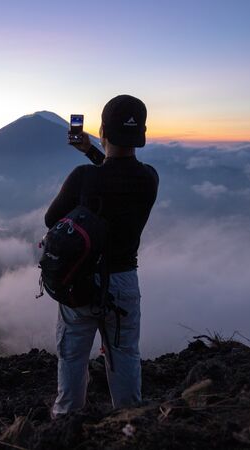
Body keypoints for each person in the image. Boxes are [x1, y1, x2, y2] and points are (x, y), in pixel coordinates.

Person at [46, 95, 159, 416]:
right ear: (142, 134)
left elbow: (50, 220)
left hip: (79, 283)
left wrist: (90, 152)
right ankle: (129, 422)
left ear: (103, 130)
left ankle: (66, 421)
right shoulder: (149, 178)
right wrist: (93, 152)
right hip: (123, 281)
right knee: (123, 353)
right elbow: (120, 172)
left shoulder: (84, 177)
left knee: (72, 356)